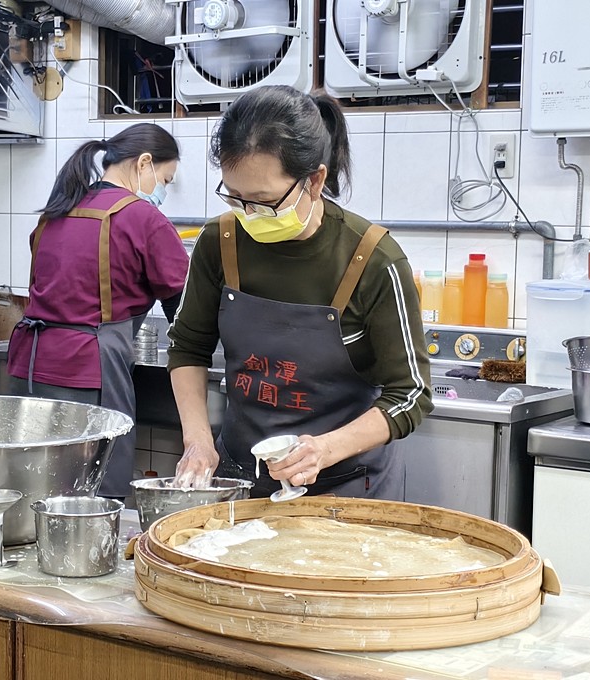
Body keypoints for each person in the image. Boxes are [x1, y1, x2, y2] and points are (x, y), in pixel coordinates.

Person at [168, 86, 432, 500]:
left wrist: (325, 449)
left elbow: (411, 394)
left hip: (347, 487)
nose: (248, 214)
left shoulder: (374, 259)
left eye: (264, 201)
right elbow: (188, 347)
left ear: (314, 180)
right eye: (235, 197)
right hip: (243, 479)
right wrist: (198, 439)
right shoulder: (219, 242)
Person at [7, 123, 190, 499]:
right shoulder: (143, 219)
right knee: (96, 486)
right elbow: (180, 306)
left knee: (36, 483)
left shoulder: (57, 210)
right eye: (165, 179)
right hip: (90, 369)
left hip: (28, 365)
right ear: (144, 164)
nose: (161, 189)